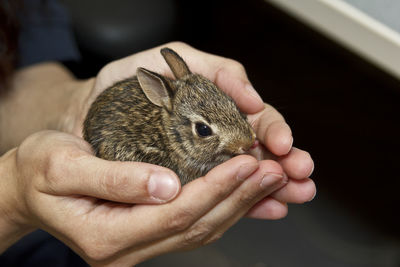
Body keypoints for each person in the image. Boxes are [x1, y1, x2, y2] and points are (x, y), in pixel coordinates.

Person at [0, 1, 316, 266]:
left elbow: (18, 62)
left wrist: (69, 106)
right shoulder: (165, 142)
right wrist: (12, 203)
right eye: (204, 130)